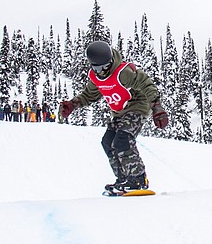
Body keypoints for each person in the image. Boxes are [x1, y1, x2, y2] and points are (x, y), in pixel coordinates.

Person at [59, 40, 169, 194]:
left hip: (137, 107)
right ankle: (123, 179)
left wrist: (157, 108)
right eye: (97, 68)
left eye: (105, 66)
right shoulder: (96, 77)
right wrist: (73, 104)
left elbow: (146, 84)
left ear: (110, 61)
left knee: (123, 140)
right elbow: (89, 95)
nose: (101, 71)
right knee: (107, 142)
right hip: (120, 112)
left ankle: (138, 179)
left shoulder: (123, 73)